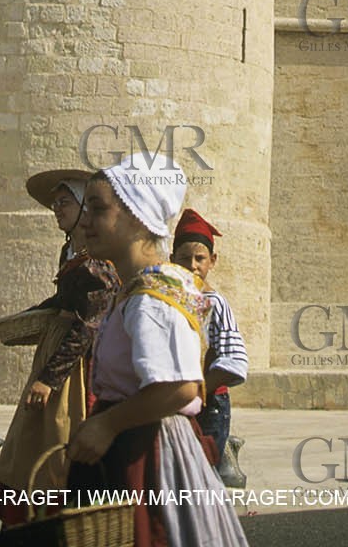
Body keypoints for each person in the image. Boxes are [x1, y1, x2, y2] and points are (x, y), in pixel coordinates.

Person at [67, 154, 249, 545]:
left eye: (98, 209)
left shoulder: (153, 297)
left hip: (148, 454)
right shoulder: (135, 289)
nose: (85, 221)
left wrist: (106, 425)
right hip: (134, 443)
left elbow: (179, 387)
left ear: (136, 216)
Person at [0, 170, 119, 531]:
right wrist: (30, 315)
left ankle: (57, 521)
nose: (56, 209)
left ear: (83, 208)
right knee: (32, 440)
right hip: (55, 351)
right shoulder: (71, 251)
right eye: (54, 203)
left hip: (75, 369)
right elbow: (64, 301)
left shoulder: (97, 260)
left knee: (57, 440)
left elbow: (88, 325)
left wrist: (48, 379)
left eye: (64, 202)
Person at [170, 207, 249, 483]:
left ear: (212, 261)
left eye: (199, 258)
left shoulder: (214, 303)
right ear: (171, 260)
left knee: (200, 477)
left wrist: (199, 390)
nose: (192, 265)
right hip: (183, 401)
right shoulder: (172, 301)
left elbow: (234, 363)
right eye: (184, 259)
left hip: (209, 404)